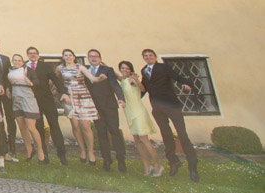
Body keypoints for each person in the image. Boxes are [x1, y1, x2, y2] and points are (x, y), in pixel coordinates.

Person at [140, 48, 199, 182]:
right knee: (166, 136)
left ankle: (193, 168)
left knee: (182, 136)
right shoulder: (144, 70)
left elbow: (177, 76)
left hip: (172, 106)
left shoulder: (163, 67)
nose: (148, 57)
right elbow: (144, 88)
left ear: (155, 57)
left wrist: (185, 83)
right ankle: (174, 162)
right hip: (158, 109)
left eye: (150, 55)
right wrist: (132, 97)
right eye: (146, 56)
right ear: (143, 58)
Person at [79, 49, 127, 174]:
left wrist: (121, 98)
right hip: (95, 107)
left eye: (96, 56)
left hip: (109, 105)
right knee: (101, 133)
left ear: (100, 58)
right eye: (91, 56)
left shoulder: (107, 70)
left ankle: (121, 160)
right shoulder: (84, 70)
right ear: (88, 58)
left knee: (114, 131)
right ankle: (107, 160)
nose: (93, 58)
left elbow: (114, 84)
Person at [25, 46, 69, 166]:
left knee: (54, 125)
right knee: (38, 128)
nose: (33, 55)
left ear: (38, 55)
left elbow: (55, 80)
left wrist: (64, 92)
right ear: (27, 55)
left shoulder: (45, 66)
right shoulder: (24, 66)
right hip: (33, 102)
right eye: (30, 53)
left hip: (47, 100)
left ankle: (62, 155)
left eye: (35, 53)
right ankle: (43, 155)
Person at [119, 60, 162, 177]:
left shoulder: (132, 80)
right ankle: (147, 166)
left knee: (144, 139)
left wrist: (136, 80)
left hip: (138, 112)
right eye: (122, 68)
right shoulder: (123, 80)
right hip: (129, 113)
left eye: (127, 68)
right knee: (137, 140)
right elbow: (117, 76)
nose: (125, 70)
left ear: (131, 70)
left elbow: (143, 89)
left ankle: (158, 165)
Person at [56, 48, 97, 166]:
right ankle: (82, 150)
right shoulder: (60, 68)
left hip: (83, 97)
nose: (68, 57)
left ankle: (91, 151)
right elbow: (55, 80)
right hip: (69, 98)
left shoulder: (80, 67)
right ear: (63, 57)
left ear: (74, 57)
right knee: (75, 125)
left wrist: (100, 78)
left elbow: (92, 78)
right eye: (66, 55)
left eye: (70, 55)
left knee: (85, 125)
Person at [6, 54, 46, 163]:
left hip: (27, 98)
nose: (17, 62)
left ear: (23, 61)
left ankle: (41, 152)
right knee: (22, 127)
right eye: (15, 60)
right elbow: (9, 83)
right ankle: (29, 150)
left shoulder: (28, 70)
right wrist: (8, 89)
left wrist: (29, 82)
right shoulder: (10, 70)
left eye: (19, 60)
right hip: (16, 97)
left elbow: (36, 82)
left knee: (31, 127)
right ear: (12, 61)